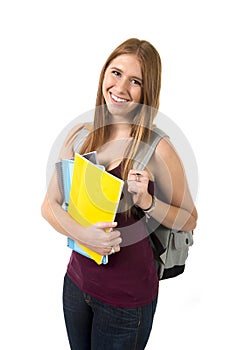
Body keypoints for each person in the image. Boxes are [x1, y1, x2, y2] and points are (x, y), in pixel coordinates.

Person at [41, 38, 198, 350]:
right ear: (103, 75)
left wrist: (149, 202)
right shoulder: (84, 136)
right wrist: (87, 236)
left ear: (147, 91)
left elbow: (190, 219)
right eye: (115, 73)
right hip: (76, 286)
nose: (121, 87)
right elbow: (49, 206)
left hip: (127, 304)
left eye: (135, 81)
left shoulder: (158, 149)